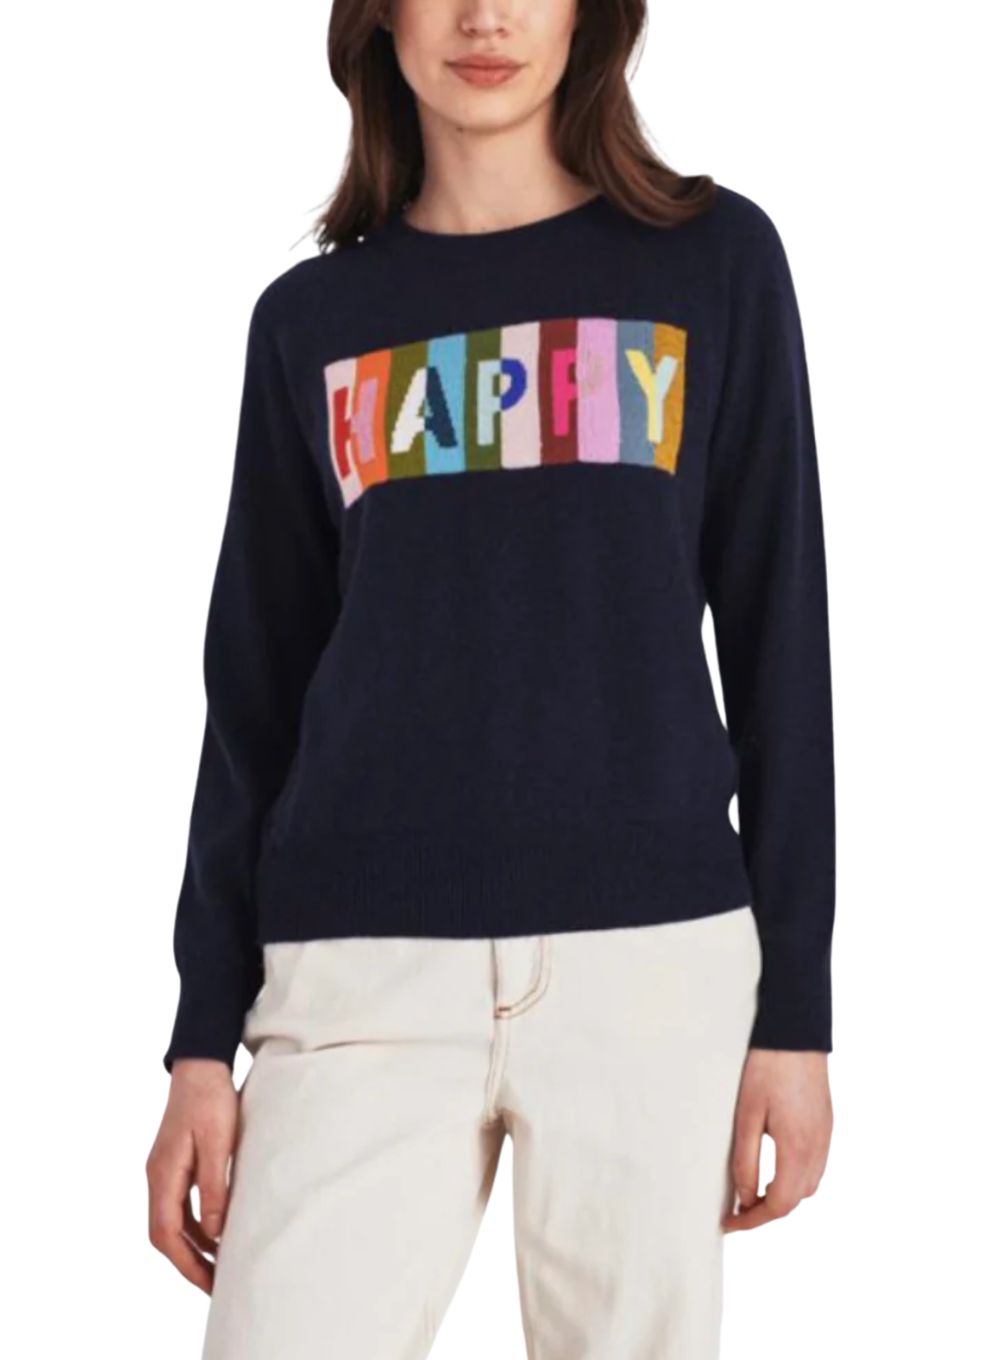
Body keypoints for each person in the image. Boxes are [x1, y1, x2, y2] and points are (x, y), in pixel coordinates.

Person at [146, 1, 836, 1356]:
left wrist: (797, 1017)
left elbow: (782, 652)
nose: (485, 16)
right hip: (357, 969)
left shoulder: (714, 264)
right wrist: (199, 1041)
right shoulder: (311, 321)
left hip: (651, 966)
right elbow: (253, 702)